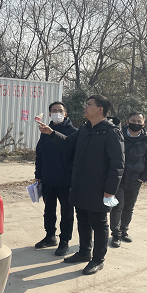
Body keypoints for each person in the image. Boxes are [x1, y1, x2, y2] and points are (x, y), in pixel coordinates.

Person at [37, 95, 124, 275]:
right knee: (82, 219)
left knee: (99, 223)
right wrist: (51, 133)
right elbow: (68, 143)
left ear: (100, 109)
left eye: (89, 104)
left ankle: (98, 259)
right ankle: (84, 252)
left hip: (99, 187)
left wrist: (110, 190)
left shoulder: (111, 132)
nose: (85, 107)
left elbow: (117, 164)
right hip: (80, 184)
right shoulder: (85, 129)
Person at [34, 101, 78, 256]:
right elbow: (40, 154)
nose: (57, 113)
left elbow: (76, 157)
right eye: (54, 110)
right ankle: (50, 236)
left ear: (65, 113)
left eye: (60, 110)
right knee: (49, 210)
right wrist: (38, 175)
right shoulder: (45, 132)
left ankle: (64, 240)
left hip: (66, 180)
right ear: (49, 114)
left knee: (67, 212)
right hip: (48, 178)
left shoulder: (73, 132)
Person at [110, 112, 147, 246]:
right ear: (127, 122)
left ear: (143, 124)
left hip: (135, 180)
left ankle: (124, 230)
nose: (136, 123)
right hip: (118, 178)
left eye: (139, 121)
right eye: (133, 121)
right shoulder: (118, 135)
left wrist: (143, 177)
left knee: (129, 207)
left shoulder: (146, 140)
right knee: (117, 207)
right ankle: (116, 234)